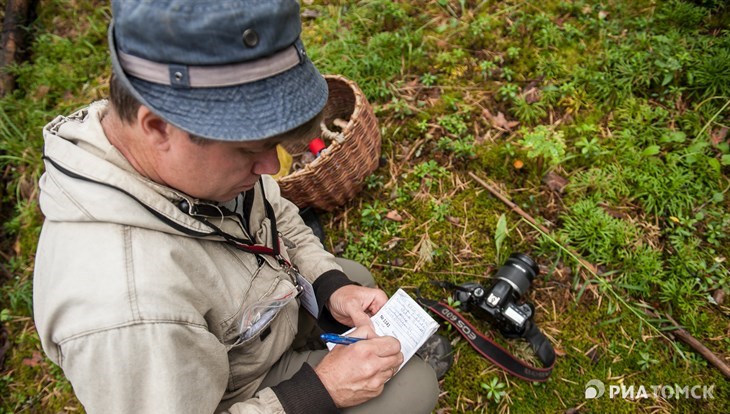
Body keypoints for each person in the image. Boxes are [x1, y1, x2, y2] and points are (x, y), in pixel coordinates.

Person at [32, 1, 451, 413]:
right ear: (158, 127)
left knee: (352, 280)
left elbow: (273, 212)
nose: (270, 166)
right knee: (412, 388)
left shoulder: (184, 161)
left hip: (257, 326)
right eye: (250, 150)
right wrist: (319, 392)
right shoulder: (130, 315)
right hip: (237, 393)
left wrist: (328, 288)